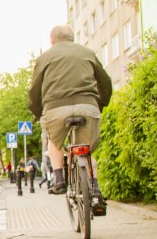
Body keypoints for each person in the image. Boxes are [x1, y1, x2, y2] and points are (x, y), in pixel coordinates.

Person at [29, 24, 112, 215]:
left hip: (55, 109)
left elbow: (34, 91)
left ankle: (59, 179)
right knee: (87, 149)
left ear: (52, 41)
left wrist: (37, 112)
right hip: (87, 106)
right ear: (72, 38)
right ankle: (96, 190)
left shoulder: (44, 58)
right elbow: (105, 82)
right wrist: (99, 104)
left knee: (54, 142)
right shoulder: (88, 53)